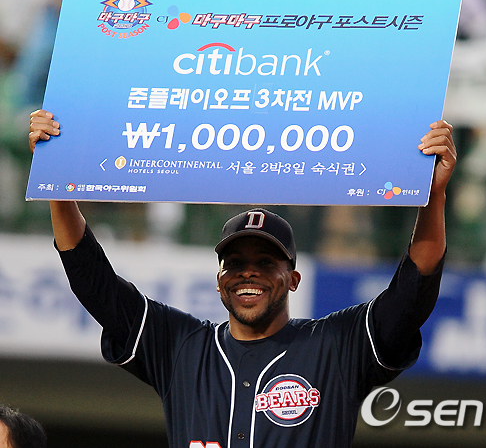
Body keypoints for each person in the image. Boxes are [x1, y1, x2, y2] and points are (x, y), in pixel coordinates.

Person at [29, 109, 456, 447]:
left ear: (293, 278)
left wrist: (433, 193)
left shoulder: (336, 346)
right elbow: (95, 282)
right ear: (219, 281)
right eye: (234, 263)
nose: (248, 272)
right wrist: (57, 178)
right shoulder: (179, 346)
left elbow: (414, 288)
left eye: (266, 262)